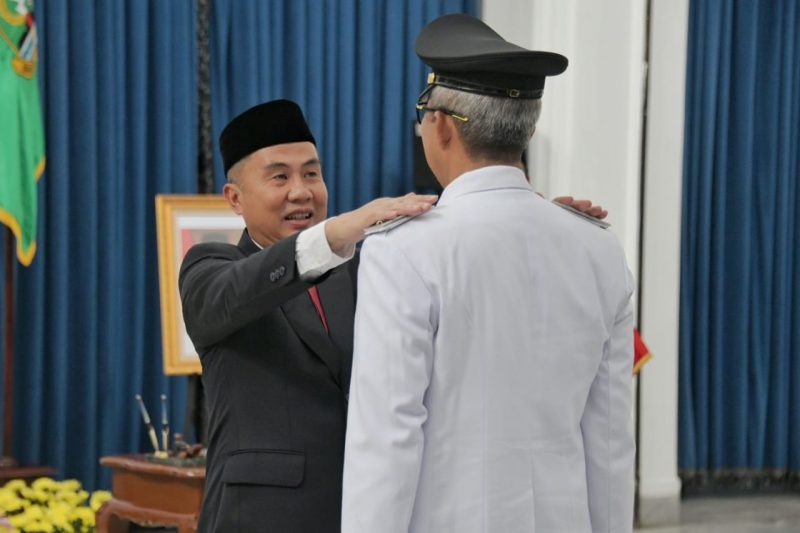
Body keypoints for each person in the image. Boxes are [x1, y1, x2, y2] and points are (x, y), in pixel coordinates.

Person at [341, 13, 635, 533]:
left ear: (443, 126)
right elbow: (610, 439)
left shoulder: (405, 250)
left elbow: (388, 436)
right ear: (530, 129)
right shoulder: (599, 249)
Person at [179, 99, 438, 532]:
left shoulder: (356, 271)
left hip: (357, 510)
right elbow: (242, 289)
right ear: (235, 198)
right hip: (258, 519)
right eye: (279, 176)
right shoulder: (210, 268)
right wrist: (336, 231)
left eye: (312, 173)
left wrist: (522, 222)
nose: (301, 191)